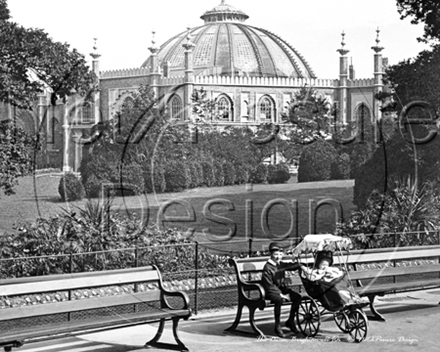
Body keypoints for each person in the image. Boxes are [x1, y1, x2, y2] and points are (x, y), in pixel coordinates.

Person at [261, 242, 301, 338]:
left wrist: (300, 264)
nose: (278, 256)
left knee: (297, 297)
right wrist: (280, 294)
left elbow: (291, 266)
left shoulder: (281, 264)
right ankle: (277, 325)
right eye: (276, 254)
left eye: (280, 254)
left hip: (280, 289)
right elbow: (268, 285)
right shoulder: (267, 267)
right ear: (271, 255)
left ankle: (291, 321)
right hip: (270, 292)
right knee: (279, 300)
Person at [300, 252, 364, 305]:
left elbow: (339, 273)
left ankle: (354, 298)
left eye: (326, 265)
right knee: (338, 290)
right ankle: (348, 300)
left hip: (335, 283)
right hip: (325, 287)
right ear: (318, 264)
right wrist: (302, 267)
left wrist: (333, 272)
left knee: (344, 286)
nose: (325, 267)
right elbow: (312, 276)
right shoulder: (316, 271)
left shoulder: (331, 269)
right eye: (323, 265)